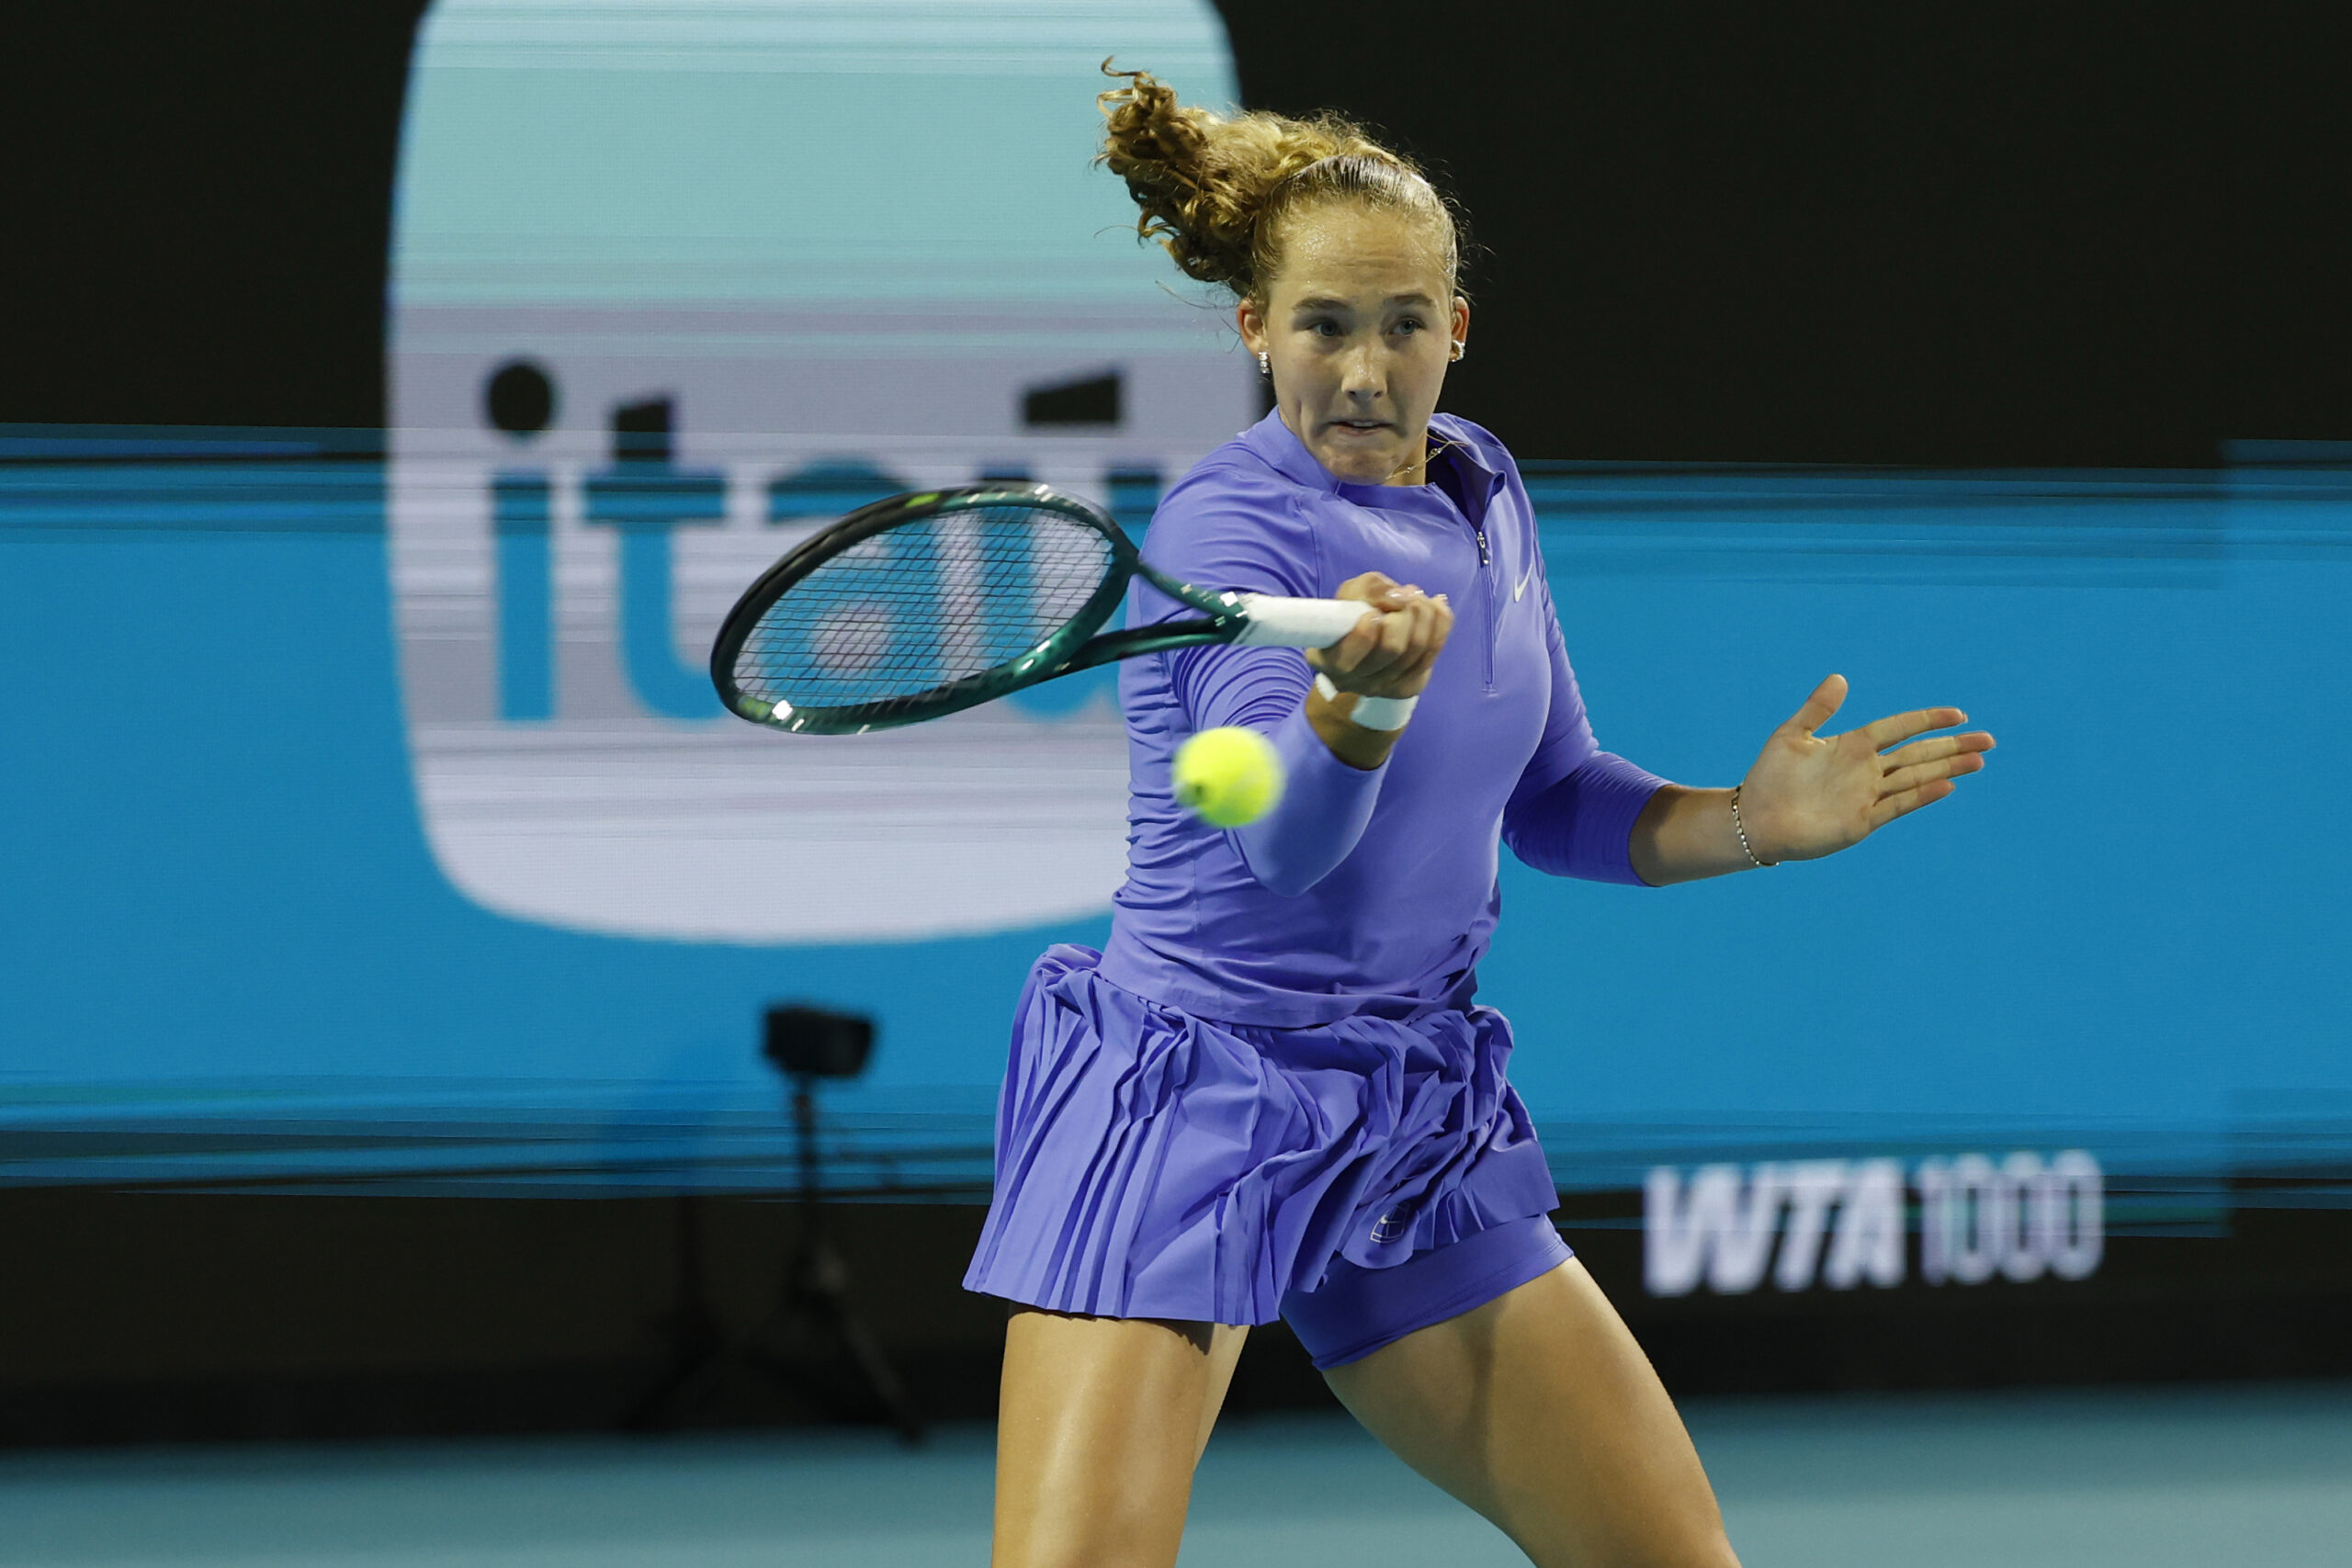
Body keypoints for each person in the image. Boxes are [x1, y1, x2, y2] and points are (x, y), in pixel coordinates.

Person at [962, 66, 1996, 1568]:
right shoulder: (1224, 528)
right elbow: (1287, 845)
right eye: (1323, 326)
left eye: (1402, 323)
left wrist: (1753, 820)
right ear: (1257, 331)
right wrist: (1355, 711)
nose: (1366, 371)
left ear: (1458, 327)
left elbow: (1561, 797)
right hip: (1195, 1092)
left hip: (1408, 1109)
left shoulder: (1486, 487)